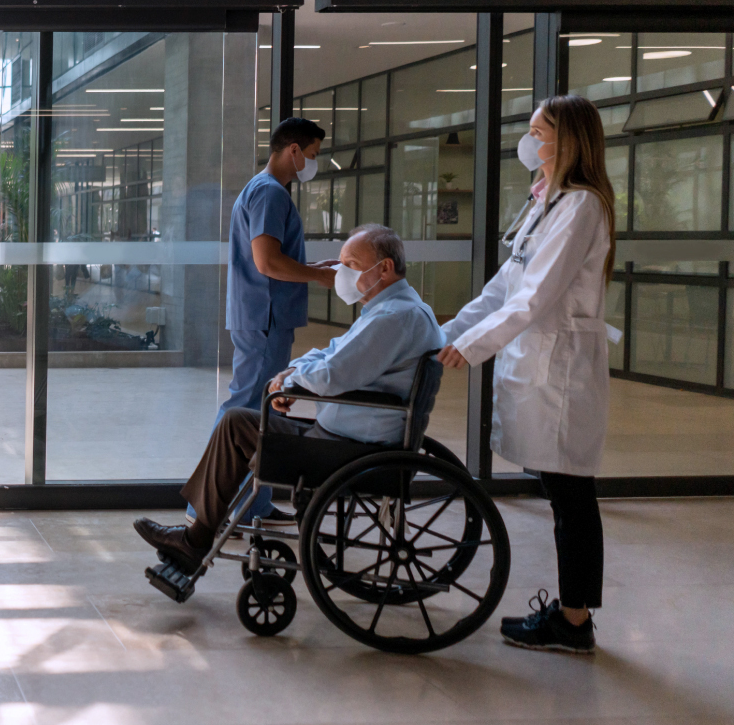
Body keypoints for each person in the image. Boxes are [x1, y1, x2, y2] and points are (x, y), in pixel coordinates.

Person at [134, 225, 441, 569]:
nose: (340, 273)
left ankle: (195, 540)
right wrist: (288, 376)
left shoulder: (394, 318)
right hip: (349, 440)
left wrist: (292, 380)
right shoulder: (392, 310)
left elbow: (331, 374)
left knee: (237, 425)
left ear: (384, 268)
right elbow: (329, 353)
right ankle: (197, 536)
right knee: (239, 420)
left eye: (351, 264)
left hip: (350, 452)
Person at [438, 94, 616, 654]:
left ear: (567, 141)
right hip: (539, 364)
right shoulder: (547, 201)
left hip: (561, 370)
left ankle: (574, 621)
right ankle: (573, 616)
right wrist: (445, 333)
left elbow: (536, 298)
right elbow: (502, 289)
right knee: (562, 491)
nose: (528, 139)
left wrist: (472, 347)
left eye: (538, 130)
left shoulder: (582, 206)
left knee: (571, 496)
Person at [211, 117, 337, 528]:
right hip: (265, 318)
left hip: (258, 316)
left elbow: (269, 259)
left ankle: (252, 505)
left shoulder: (259, 189)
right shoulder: (271, 194)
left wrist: (311, 267)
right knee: (247, 414)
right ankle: (220, 509)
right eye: (313, 155)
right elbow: (267, 262)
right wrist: (317, 275)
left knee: (250, 411)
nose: (313, 164)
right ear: (294, 150)